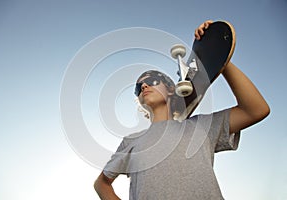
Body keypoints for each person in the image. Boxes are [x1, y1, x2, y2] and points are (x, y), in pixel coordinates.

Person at [94, 20, 270, 200]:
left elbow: (256, 110)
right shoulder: (132, 141)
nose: (145, 85)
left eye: (153, 80)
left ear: (171, 89)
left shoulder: (201, 127)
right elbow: (101, 184)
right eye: (139, 87)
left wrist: (216, 54)